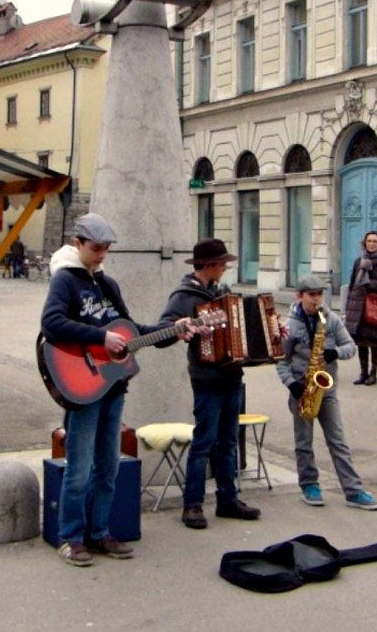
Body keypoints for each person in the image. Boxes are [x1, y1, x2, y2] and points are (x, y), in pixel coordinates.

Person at [41, 213, 194, 566]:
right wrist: (100, 336)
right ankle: (71, 537)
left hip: (111, 387)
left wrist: (173, 330)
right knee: (78, 468)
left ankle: (100, 533)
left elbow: (131, 332)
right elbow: (51, 323)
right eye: (95, 249)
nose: (102, 256)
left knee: (107, 466)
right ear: (77, 244)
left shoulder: (107, 285)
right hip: (82, 385)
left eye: (106, 249)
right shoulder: (65, 280)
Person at [157, 238, 261, 530]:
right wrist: (182, 328)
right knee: (203, 442)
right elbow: (163, 331)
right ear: (212, 265)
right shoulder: (184, 296)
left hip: (231, 375)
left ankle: (228, 499)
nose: (226, 268)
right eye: (223, 264)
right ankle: (192, 504)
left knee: (228, 440)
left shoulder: (223, 293)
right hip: (205, 379)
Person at [276, 275, 377, 510]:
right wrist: (291, 383)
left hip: (326, 388)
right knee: (304, 441)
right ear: (299, 296)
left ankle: (353, 490)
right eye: (311, 295)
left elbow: (350, 347)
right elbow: (281, 360)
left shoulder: (330, 319)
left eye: (319, 295)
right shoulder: (290, 326)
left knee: (338, 440)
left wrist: (335, 353)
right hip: (302, 388)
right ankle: (309, 485)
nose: (316, 300)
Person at [345, 231, 377, 386]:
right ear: (364, 243)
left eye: (375, 241)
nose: (371, 244)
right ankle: (363, 373)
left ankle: (373, 373)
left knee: (375, 341)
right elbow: (353, 284)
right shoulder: (359, 261)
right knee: (361, 342)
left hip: (375, 306)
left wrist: (369, 283)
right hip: (358, 306)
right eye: (369, 241)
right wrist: (348, 305)